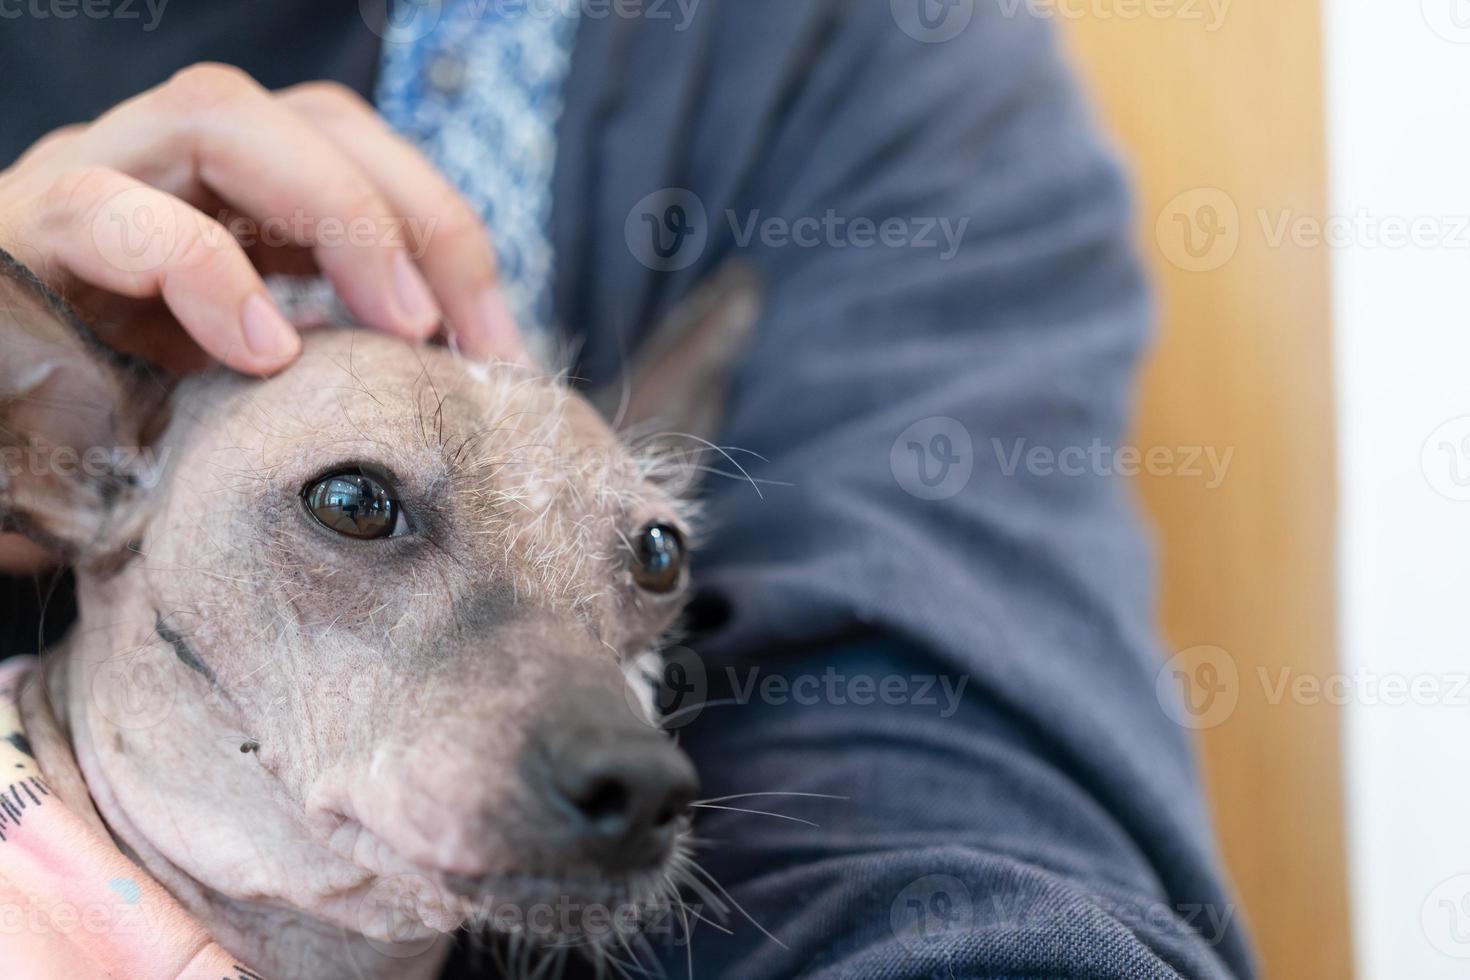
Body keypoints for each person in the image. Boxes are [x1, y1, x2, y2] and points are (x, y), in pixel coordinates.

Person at [0, 2, 1255, 977]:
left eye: (650, 559)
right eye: (359, 508)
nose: (633, 761)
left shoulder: (869, 64)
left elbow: (939, 783)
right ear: (59, 455)